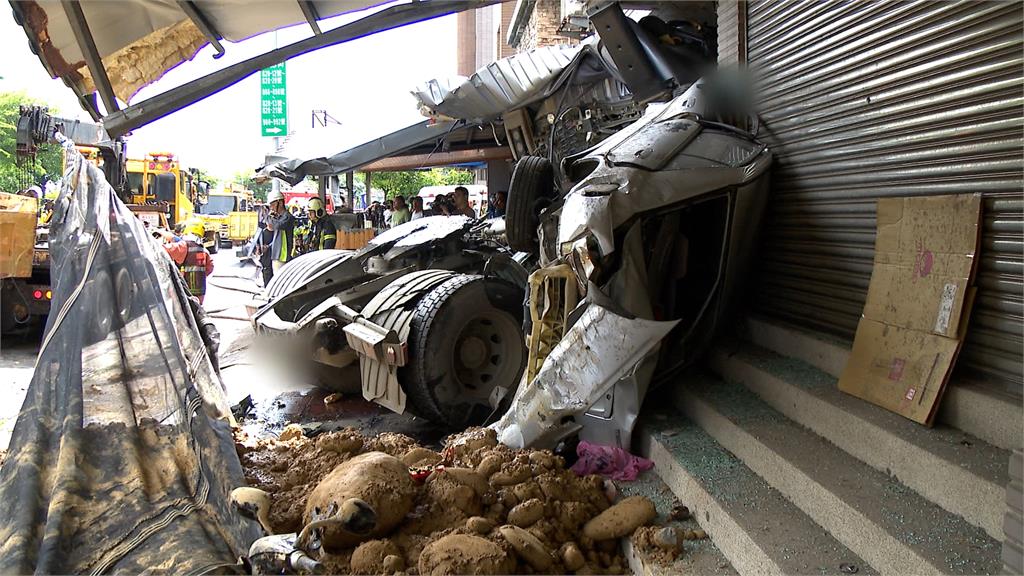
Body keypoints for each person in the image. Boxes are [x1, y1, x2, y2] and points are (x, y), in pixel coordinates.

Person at [159, 224, 214, 304]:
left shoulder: (183, 246)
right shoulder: (203, 250)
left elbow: (165, 250)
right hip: (200, 291)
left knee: (184, 313)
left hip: (184, 290)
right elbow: (210, 267)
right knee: (196, 312)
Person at [265, 189, 296, 274]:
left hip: (283, 255)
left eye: (273, 204)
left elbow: (277, 226)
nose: (271, 208)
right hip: (277, 255)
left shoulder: (287, 217)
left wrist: (269, 217)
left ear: (280, 203)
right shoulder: (278, 217)